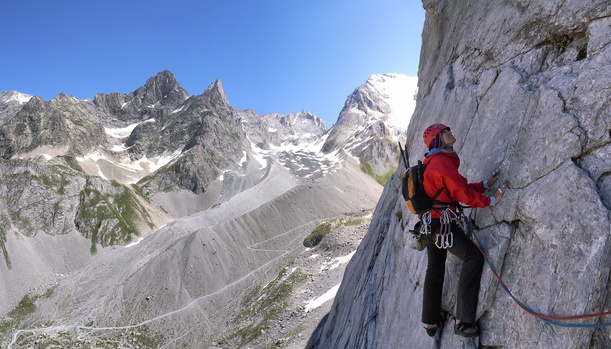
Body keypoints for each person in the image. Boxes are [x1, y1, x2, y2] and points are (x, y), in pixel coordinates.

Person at [420, 123, 506, 338]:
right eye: (446, 131)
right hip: (442, 225)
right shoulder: (440, 162)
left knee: (435, 269)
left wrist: (485, 183)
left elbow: (457, 188)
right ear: (438, 139)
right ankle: (463, 321)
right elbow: (463, 195)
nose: (451, 132)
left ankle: (430, 322)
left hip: (431, 226)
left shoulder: (435, 161)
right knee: (473, 257)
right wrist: (492, 200)